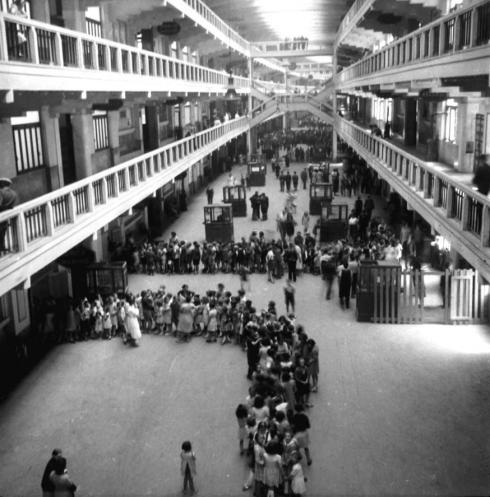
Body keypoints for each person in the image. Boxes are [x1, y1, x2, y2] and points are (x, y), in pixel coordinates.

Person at [0, 178, 18, 253]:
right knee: (3, 232)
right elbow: (13, 205)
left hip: (1, 214)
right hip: (6, 216)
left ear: (2, 184)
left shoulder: (1, 192)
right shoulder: (13, 193)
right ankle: (2, 248)